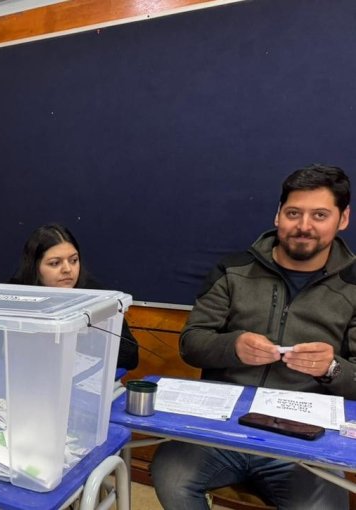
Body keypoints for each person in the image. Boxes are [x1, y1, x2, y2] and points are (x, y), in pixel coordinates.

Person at [151, 164, 355, 509]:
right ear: (278, 215)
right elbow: (192, 342)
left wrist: (330, 368)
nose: (304, 226)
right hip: (220, 430)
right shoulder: (233, 270)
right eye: (294, 213)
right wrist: (233, 348)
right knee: (171, 478)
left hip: (304, 441)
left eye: (320, 215)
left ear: (343, 218)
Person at [10, 223, 139, 370]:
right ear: (35, 268)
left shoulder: (95, 295)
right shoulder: (17, 295)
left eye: (73, 260)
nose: (67, 269)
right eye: (55, 263)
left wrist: (100, 334)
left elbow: (131, 358)